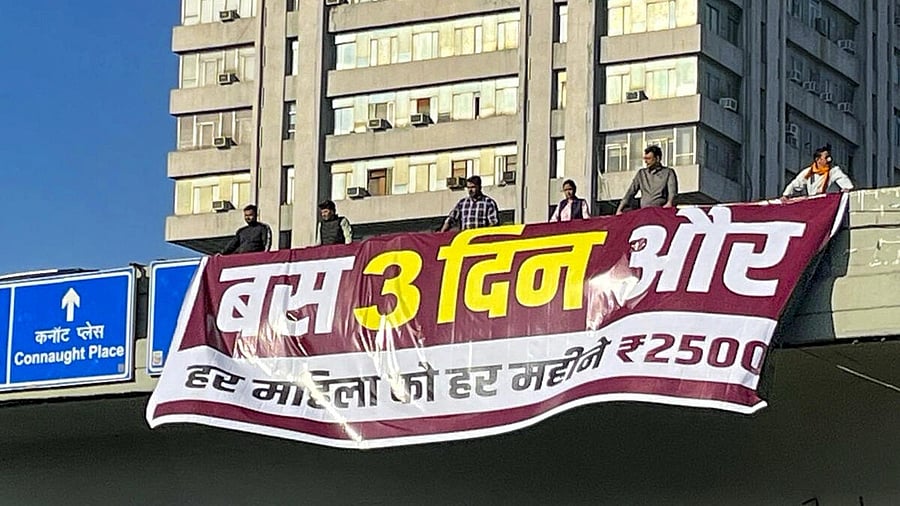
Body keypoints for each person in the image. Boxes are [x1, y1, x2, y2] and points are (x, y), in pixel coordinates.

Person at [615, 145, 678, 215]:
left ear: (657, 158)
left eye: (648, 158)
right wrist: (620, 209)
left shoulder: (668, 172)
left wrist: (669, 204)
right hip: (644, 213)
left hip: (661, 212)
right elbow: (630, 192)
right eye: (645, 158)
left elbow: (672, 192)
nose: (645, 161)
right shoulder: (641, 173)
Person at [782, 144, 854, 198]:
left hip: (828, 203)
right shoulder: (808, 172)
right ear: (818, 159)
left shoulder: (834, 171)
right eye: (826, 157)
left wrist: (847, 190)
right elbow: (795, 183)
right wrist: (786, 195)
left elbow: (845, 183)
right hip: (814, 203)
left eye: (829, 157)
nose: (829, 160)